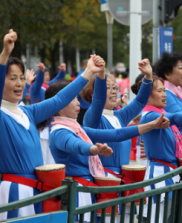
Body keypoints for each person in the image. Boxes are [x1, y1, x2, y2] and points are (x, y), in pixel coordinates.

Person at [0, 29, 107, 220]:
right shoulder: (2, 115)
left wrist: (88, 71)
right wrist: (5, 54)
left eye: (22, 77)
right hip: (14, 192)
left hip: (39, 191)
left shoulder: (29, 112)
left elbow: (59, 100)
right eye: (12, 78)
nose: (19, 83)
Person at [38, 77, 169, 222]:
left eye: (115, 88)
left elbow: (117, 134)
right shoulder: (60, 131)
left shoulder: (79, 128)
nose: (77, 103)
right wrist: (94, 149)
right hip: (84, 190)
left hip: (102, 187)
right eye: (72, 99)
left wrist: (148, 78)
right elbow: (75, 145)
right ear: (60, 105)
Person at [137, 75, 182, 223]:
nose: (164, 94)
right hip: (159, 175)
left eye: (164, 90)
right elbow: (176, 117)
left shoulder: (159, 113)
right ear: (147, 96)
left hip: (171, 174)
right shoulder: (149, 116)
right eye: (159, 90)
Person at [81, 59, 153, 176]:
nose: (113, 92)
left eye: (115, 88)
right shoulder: (92, 117)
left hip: (123, 178)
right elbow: (99, 100)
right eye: (108, 88)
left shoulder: (119, 116)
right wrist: (101, 73)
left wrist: (148, 76)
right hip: (104, 179)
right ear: (91, 94)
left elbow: (140, 101)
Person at [76, 59, 91, 126]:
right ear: (85, 65)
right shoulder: (82, 76)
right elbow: (78, 92)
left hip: (85, 105)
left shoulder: (82, 75)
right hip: (84, 106)